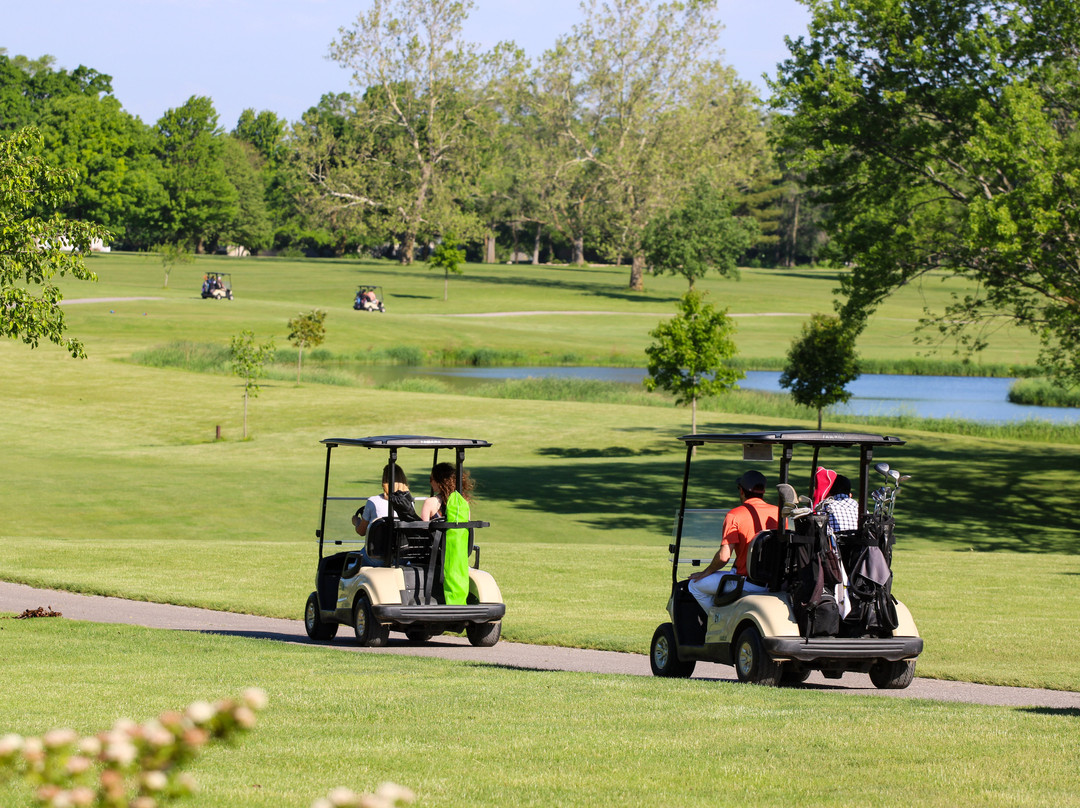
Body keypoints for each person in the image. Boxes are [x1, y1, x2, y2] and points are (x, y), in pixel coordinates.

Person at [687, 469, 778, 613]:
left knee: (694, 585)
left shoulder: (735, 515)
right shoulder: (778, 513)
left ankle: (717, 619)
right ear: (763, 491)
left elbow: (724, 557)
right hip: (772, 582)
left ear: (741, 491)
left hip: (746, 583)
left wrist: (706, 572)